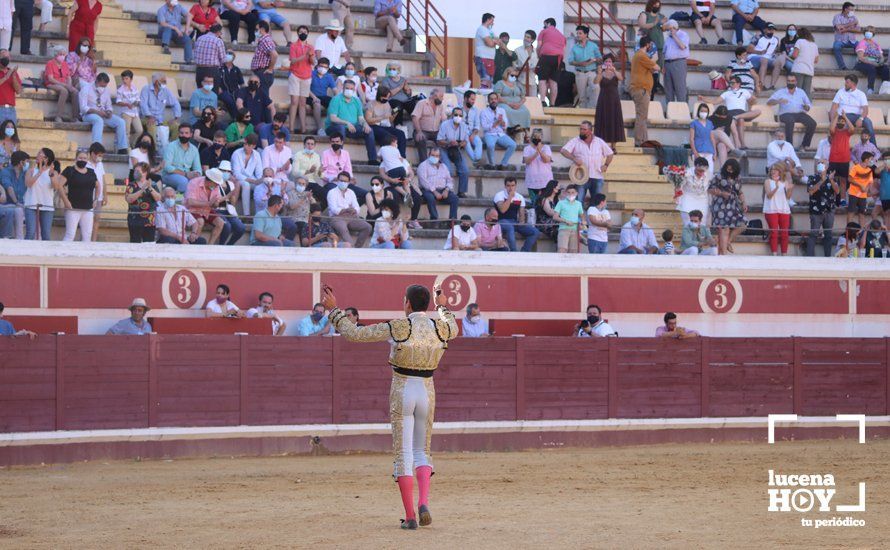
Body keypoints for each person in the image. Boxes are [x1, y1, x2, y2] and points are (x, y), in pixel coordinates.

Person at [322, 282, 456, 529]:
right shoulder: (442, 327)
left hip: (403, 388)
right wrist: (443, 307)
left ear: (406, 303)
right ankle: (424, 501)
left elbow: (355, 334)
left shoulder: (399, 326)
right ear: (427, 304)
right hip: (427, 390)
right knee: (422, 450)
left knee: (403, 453)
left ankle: (411, 517)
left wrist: (334, 311)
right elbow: (454, 326)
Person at [560, 120, 613, 206]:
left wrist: (606, 165)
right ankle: (579, 220)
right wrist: (574, 158)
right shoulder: (575, 140)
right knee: (578, 202)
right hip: (581, 178)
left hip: (597, 176)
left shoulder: (599, 141)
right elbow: (563, 150)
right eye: (580, 129)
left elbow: (610, 154)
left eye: (584, 129)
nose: (581, 131)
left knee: (598, 204)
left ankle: (596, 219)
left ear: (590, 131)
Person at [697, 76, 759, 149]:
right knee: (741, 120)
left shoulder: (745, 91)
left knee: (758, 111)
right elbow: (715, 101)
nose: (731, 85)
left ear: (739, 84)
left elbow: (753, 100)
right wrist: (703, 98)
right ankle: (742, 145)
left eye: (733, 83)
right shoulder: (726, 93)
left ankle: (736, 117)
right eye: (730, 83)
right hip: (730, 113)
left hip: (742, 113)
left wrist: (753, 100)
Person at [326, 80, 377, 164]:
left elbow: (361, 118)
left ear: (354, 90)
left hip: (351, 129)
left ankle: (372, 160)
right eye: (347, 88)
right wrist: (347, 123)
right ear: (343, 88)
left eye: (351, 89)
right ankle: (339, 158)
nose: (349, 90)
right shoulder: (336, 99)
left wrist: (365, 124)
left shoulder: (357, 101)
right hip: (334, 128)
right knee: (341, 128)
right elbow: (333, 118)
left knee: (369, 130)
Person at [79, 73, 129, 155]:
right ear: (97, 81)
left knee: (121, 122)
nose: (103, 88)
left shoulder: (106, 90)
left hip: (103, 114)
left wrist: (109, 112)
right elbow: (83, 108)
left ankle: (122, 148)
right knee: (98, 120)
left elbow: (109, 105)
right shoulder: (86, 89)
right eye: (101, 85)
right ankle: (96, 148)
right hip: (88, 115)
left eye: (104, 86)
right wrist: (97, 112)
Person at [766, 75, 816, 150]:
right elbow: (769, 102)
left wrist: (806, 107)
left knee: (812, 123)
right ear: (786, 82)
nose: (790, 82)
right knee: (790, 120)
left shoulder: (801, 92)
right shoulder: (781, 92)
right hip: (785, 114)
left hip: (800, 114)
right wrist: (778, 101)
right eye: (789, 81)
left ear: (796, 82)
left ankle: (804, 145)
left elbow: (808, 104)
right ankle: (790, 146)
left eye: (792, 81)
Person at [58, 150, 98, 242]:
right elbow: (59, 185)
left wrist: (95, 199)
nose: (82, 160)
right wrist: (66, 201)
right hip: (73, 208)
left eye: (84, 158)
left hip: (88, 208)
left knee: (87, 235)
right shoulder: (69, 170)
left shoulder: (91, 172)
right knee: (70, 234)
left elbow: (98, 186)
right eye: (80, 158)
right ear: (76, 158)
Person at [709, 158, 747, 254]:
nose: (729, 171)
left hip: (733, 205)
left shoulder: (737, 178)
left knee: (743, 224)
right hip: (720, 205)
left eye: (731, 170)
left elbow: (740, 192)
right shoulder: (719, 176)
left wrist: (744, 202)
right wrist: (722, 193)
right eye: (728, 169)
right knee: (724, 229)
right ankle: (724, 254)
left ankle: (728, 242)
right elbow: (710, 189)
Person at [494, 176, 539, 252]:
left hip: (514, 222)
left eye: (513, 185)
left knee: (535, 232)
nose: (510, 188)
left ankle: (524, 251)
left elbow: (521, 215)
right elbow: (503, 210)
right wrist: (510, 198)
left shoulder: (520, 197)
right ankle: (514, 252)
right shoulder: (499, 195)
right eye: (508, 186)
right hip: (501, 221)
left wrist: (521, 224)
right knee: (510, 227)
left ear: (515, 186)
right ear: (505, 186)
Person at [140, 72, 182, 149]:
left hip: (160, 120)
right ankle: (153, 150)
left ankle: (173, 149)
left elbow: (175, 103)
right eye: (163, 81)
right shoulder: (146, 89)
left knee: (176, 126)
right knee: (152, 126)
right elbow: (143, 105)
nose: (165, 83)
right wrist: (149, 116)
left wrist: (176, 117)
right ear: (156, 81)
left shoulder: (166, 90)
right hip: (146, 118)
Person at [830, 74, 875, 146]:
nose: (845, 84)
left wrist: (861, 119)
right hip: (843, 116)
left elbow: (865, 110)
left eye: (847, 82)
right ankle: (840, 146)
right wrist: (832, 121)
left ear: (853, 83)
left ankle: (873, 148)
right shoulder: (840, 92)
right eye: (845, 82)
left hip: (857, 116)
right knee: (841, 124)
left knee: (868, 122)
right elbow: (833, 108)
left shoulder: (861, 94)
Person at [806, 161, 840, 257]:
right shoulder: (812, 178)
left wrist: (831, 180)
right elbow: (811, 191)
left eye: (823, 163)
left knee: (828, 235)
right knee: (813, 234)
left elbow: (837, 191)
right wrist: (822, 180)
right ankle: (810, 258)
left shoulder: (832, 178)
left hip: (829, 210)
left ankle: (828, 257)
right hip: (816, 211)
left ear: (827, 166)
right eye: (819, 163)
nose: (821, 164)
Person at [629, 36, 659, 146]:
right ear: (647, 45)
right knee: (641, 116)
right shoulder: (642, 55)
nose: (651, 47)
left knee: (642, 116)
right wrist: (654, 60)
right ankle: (638, 141)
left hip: (641, 89)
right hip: (641, 89)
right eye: (650, 45)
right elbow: (656, 67)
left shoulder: (639, 56)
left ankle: (644, 140)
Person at [326, 174, 370, 247]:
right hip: (337, 218)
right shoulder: (332, 192)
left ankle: (357, 248)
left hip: (351, 216)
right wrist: (346, 210)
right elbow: (333, 209)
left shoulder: (351, 192)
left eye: (345, 181)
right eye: (341, 180)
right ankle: (351, 249)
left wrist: (354, 210)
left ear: (349, 182)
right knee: (343, 229)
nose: (343, 183)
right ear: (337, 180)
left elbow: (357, 207)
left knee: (367, 227)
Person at [184, 168, 226, 244]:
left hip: (206, 210)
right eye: (216, 183)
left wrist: (216, 203)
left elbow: (215, 204)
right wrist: (208, 203)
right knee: (200, 221)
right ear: (209, 180)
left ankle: (209, 246)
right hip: (191, 210)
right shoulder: (194, 183)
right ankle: (194, 244)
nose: (217, 185)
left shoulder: (215, 186)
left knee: (220, 223)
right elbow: (190, 202)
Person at [416, 148, 458, 222]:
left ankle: (452, 221)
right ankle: (434, 220)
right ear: (429, 155)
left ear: (440, 157)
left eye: (437, 156)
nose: (435, 157)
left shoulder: (444, 166)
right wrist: (435, 192)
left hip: (442, 189)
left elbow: (449, 180)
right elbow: (424, 182)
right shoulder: (423, 165)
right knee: (430, 197)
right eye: (433, 155)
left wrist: (447, 190)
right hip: (428, 190)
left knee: (455, 198)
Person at [125, 162, 162, 243]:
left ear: (145, 172)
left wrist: (150, 187)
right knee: (135, 243)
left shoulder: (153, 185)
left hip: (149, 221)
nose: (135, 173)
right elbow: (129, 199)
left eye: (138, 171)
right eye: (135, 171)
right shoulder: (131, 185)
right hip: (134, 220)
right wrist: (142, 189)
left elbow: (158, 198)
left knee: (149, 244)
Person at [436, 107, 469, 197]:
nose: (458, 117)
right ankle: (447, 190)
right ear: (452, 115)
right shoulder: (445, 124)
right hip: (444, 148)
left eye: (460, 115)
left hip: (456, 149)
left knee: (465, 170)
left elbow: (466, 141)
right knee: (448, 169)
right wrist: (449, 142)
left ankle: (461, 191)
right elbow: (439, 140)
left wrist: (461, 144)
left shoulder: (464, 126)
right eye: (456, 115)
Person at [593, 55, 625, 149]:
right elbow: (595, 82)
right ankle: (602, 146)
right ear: (603, 63)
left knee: (614, 120)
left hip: (614, 100)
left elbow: (621, 78)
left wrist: (614, 70)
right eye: (606, 61)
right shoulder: (601, 73)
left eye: (610, 61)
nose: (608, 63)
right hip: (603, 99)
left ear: (612, 63)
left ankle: (613, 146)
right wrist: (599, 73)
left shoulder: (615, 73)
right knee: (602, 120)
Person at [288, 25, 315, 134]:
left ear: (307, 33)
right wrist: (305, 55)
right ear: (297, 33)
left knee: (303, 103)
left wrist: (311, 56)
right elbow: (293, 61)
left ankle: (303, 129)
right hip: (295, 75)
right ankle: (291, 128)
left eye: (304, 31)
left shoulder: (311, 46)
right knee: (294, 102)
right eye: (300, 32)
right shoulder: (293, 46)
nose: (302, 33)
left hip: (307, 76)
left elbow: (313, 62)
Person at [637, 0, 667, 96]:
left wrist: (664, 24)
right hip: (647, 47)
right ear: (650, 5)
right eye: (655, 5)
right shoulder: (644, 14)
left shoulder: (661, 15)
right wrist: (655, 23)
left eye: (658, 5)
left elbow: (664, 28)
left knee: (657, 69)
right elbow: (642, 26)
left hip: (659, 45)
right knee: (647, 68)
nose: (657, 7)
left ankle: (655, 88)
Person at [480, 92, 517, 170]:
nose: (493, 101)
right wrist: (495, 124)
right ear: (488, 101)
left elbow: (506, 125)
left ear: (497, 100)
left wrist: (502, 123)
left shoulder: (502, 110)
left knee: (513, 145)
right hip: (489, 134)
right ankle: (492, 164)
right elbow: (484, 127)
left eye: (495, 99)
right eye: (491, 99)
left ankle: (503, 164)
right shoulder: (484, 112)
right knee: (490, 145)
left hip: (500, 134)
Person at [367, 87, 407, 158]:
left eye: (388, 97)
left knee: (401, 134)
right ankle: (387, 157)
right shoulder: (371, 104)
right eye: (385, 97)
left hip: (385, 126)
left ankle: (402, 157)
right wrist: (382, 117)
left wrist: (394, 115)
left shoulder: (387, 104)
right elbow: (368, 120)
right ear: (380, 96)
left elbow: (390, 121)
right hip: (374, 126)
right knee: (387, 135)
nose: (387, 99)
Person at [568, 25, 601, 108]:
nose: (578, 35)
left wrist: (593, 60)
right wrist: (581, 63)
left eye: (580, 33)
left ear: (586, 34)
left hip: (592, 71)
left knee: (596, 88)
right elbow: (570, 61)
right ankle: (583, 113)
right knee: (582, 96)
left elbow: (600, 59)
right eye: (577, 33)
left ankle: (593, 109)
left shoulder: (593, 46)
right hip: (580, 73)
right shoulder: (574, 47)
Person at [763, 162, 793, 255]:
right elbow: (769, 195)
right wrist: (776, 187)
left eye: (775, 170)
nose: (773, 171)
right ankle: (774, 254)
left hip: (784, 209)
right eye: (772, 169)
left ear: (780, 172)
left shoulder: (785, 182)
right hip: (771, 209)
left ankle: (784, 254)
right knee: (774, 232)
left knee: (784, 233)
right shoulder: (767, 181)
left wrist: (790, 189)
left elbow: (788, 197)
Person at [162, 124, 202, 193]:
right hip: (169, 175)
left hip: (187, 175)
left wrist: (196, 174)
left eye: (186, 133)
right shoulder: (171, 146)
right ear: (178, 134)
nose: (183, 135)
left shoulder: (194, 149)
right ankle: (180, 200)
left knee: (199, 181)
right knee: (183, 181)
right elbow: (166, 166)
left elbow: (198, 168)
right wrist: (185, 174)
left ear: (191, 134)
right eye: (181, 133)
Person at [44, 45, 79, 123]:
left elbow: (68, 77)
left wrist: (69, 85)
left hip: (64, 84)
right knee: (64, 91)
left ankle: (75, 117)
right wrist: (63, 85)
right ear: (56, 54)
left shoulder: (65, 64)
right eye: (60, 54)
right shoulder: (50, 63)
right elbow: (50, 79)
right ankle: (58, 116)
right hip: (52, 83)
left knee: (75, 91)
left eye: (64, 54)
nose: (62, 56)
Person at [231, 133, 263, 214]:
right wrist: (252, 181)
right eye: (245, 144)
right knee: (246, 184)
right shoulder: (236, 153)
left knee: (260, 186)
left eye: (248, 145)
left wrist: (259, 181)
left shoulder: (257, 155)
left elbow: (259, 174)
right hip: (237, 179)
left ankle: (259, 213)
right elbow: (236, 173)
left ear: (254, 146)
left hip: (251, 178)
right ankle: (247, 214)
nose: (245, 147)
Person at [411, 89, 446, 163]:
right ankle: (424, 164)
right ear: (435, 96)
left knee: (443, 141)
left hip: (436, 132)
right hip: (422, 130)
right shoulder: (422, 103)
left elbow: (444, 120)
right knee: (421, 139)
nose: (443, 98)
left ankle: (440, 164)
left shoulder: (441, 106)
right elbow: (415, 118)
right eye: (441, 96)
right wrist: (419, 132)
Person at [536, 17, 566, 106]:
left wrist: (539, 56)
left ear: (548, 23)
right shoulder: (561, 35)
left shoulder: (544, 32)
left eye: (544, 24)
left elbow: (539, 46)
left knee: (542, 80)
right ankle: (552, 104)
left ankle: (542, 101)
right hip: (558, 59)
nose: (543, 26)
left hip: (546, 57)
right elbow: (564, 50)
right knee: (554, 82)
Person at [493, 67, 531, 134]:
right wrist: (509, 103)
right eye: (512, 75)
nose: (514, 77)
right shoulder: (500, 83)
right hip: (504, 103)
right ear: (506, 74)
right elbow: (497, 96)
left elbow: (523, 97)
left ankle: (524, 131)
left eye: (516, 76)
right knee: (508, 111)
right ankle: (510, 130)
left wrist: (519, 104)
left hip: (518, 104)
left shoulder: (518, 84)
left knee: (526, 111)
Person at [854, 26, 889, 94]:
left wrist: (881, 61)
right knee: (872, 69)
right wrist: (872, 63)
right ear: (864, 33)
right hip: (862, 63)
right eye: (867, 31)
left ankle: (885, 88)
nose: (869, 33)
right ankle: (870, 89)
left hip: (875, 62)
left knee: (885, 69)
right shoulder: (862, 43)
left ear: (873, 34)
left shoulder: (876, 44)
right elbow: (861, 57)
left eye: (871, 31)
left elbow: (881, 56)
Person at [0, 150, 27, 239]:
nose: (27, 164)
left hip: (23, 203)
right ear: (21, 162)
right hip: (8, 203)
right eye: (26, 161)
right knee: (17, 210)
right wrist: (16, 202)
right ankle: (18, 238)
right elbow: (9, 188)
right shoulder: (5, 172)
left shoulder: (25, 173)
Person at [522, 129, 553, 206]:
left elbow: (546, 160)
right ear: (532, 137)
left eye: (539, 137)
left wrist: (540, 151)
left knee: (545, 204)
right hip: (532, 181)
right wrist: (536, 153)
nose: (537, 139)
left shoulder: (546, 147)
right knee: (535, 204)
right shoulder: (527, 149)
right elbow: (527, 161)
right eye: (535, 136)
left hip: (546, 181)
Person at [828, 111, 853, 205]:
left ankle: (842, 199)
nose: (841, 123)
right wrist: (837, 116)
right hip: (833, 159)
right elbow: (831, 127)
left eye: (843, 122)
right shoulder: (833, 132)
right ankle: (833, 199)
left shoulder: (847, 132)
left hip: (844, 159)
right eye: (839, 121)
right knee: (832, 179)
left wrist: (845, 117)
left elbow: (852, 128)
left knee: (843, 180)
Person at [662, 20, 690, 102]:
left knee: (680, 89)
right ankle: (670, 111)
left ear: (673, 28)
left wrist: (674, 35)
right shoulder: (668, 37)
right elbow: (664, 52)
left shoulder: (683, 34)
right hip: (667, 64)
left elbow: (682, 46)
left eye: (668, 29)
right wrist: (663, 66)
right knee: (668, 90)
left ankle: (681, 111)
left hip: (678, 63)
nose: (667, 31)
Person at [551, 184, 584, 253]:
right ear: (566, 193)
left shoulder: (579, 204)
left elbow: (582, 215)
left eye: (573, 192)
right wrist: (566, 221)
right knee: (562, 250)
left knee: (574, 252)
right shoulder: (561, 203)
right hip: (563, 229)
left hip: (575, 230)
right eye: (568, 192)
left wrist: (583, 221)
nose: (570, 194)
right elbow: (555, 217)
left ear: (577, 193)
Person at [679, 157, 712, 225]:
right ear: (695, 166)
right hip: (688, 198)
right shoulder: (686, 173)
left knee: (702, 221)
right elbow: (679, 186)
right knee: (688, 221)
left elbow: (711, 188)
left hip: (703, 199)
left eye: (703, 171)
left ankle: (700, 235)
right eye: (699, 170)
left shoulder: (709, 174)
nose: (701, 173)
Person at [747, 23, 780, 90]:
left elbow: (775, 50)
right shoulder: (758, 37)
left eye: (773, 30)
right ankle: (761, 84)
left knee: (778, 63)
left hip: (768, 58)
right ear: (764, 29)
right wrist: (760, 52)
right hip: (754, 57)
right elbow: (749, 49)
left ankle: (772, 86)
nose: (771, 31)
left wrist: (775, 55)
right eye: (769, 29)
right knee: (764, 59)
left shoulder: (776, 39)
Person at [116, 70, 143, 147]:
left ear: (131, 79)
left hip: (135, 112)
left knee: (140, 130)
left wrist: (137, 103)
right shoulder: (120, 89)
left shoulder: (135, 88)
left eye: (126, 78)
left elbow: (138, 100)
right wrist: (126, 104)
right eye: (123, 79)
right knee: (127, 132)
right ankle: (127, 148)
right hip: (126, 112)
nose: (124, 81)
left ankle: (132, 144)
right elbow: (118, 102)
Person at [789, 27, 818, 96]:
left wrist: (789, 55)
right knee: (806, 94)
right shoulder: (814, 45)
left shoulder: (799, 41)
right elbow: (816, 60)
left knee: (796, 92)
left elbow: (794, 55)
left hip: (798, 69)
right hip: (809, 71)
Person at [251, 20, 278, 93]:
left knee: (263, 98)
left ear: (262, 29)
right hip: (261, 73)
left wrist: (270, 69)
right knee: (260, 97)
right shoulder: (264, 40)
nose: (255, 31)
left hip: (263, 73)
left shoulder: (265, 40)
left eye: (257, 29)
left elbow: (274, 55)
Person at [848, 151, 874, 227]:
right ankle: (848, 232)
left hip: (863, 196)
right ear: (866, 160)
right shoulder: (855, 167)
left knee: (862, 214)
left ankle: (862, 233)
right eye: (871, 159)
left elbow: (870, 182)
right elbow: (849, 179)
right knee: (851, 213)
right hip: (853, 194)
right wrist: (860, 185)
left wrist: (867, 189)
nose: (872, 161)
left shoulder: (869, 170)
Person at [832, 2, 859, 70]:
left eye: (853, 10)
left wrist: (846, 29)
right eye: (851, 9)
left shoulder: (854, 17)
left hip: (852, 41)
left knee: (861, 46)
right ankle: (842, 67)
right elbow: (839, 28)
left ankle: (857, 66)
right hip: (840, 40)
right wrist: (852, 24)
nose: (852, 11)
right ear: (845, 9)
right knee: (836, 47)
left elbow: (858, 30)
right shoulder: (837, 17)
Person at [474, 13, 497, 89]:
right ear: (488, 19)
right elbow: (490, 43)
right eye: (492, 20)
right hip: (482, 57)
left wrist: (493, 41)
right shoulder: (482, 29)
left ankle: (488, 98)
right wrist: (493, 42)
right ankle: (483, 95)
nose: (493, 23)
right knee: (485, 79)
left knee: (490, 80)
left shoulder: (490, 31)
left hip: (490, 58)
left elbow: (498, 41)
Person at [218, 50, 244, 115]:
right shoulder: (220, 68)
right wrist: (218, 87)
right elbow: (215, 81)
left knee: (240, 100)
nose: (228, 54)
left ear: (233, 57)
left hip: (235, 91)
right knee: (230, 101)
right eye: (226, 53)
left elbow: (242, 84)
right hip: (223, 92)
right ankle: (236, 118)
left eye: (230, 53)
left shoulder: (236, 69)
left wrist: (244, 92)